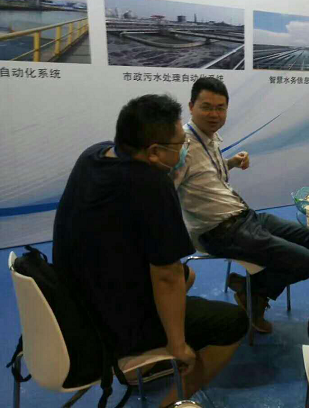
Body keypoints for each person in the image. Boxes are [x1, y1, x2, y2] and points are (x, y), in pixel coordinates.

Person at [53, 94, 248, 408]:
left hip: (70, 298)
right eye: (180, 144)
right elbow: (165, 277)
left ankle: (144, 363)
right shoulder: (151, 184)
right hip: (103, 323)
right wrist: (177, 344)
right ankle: (169, 403)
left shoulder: (94, 155)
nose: (184, 149)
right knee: (233, 322)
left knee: (188, 275)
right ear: (155, 152)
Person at [174, 77, 309, 334]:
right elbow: (167, 188)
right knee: (307, 263)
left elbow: (204, 175)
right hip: (218, 230)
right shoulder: (182, 146)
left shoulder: (208, 138)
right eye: (206, 107)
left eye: (220, 108)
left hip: (243, 216)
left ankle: (251, 289)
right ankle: (254, 295)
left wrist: (230, 162)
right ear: (191, 106)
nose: (214, 114)